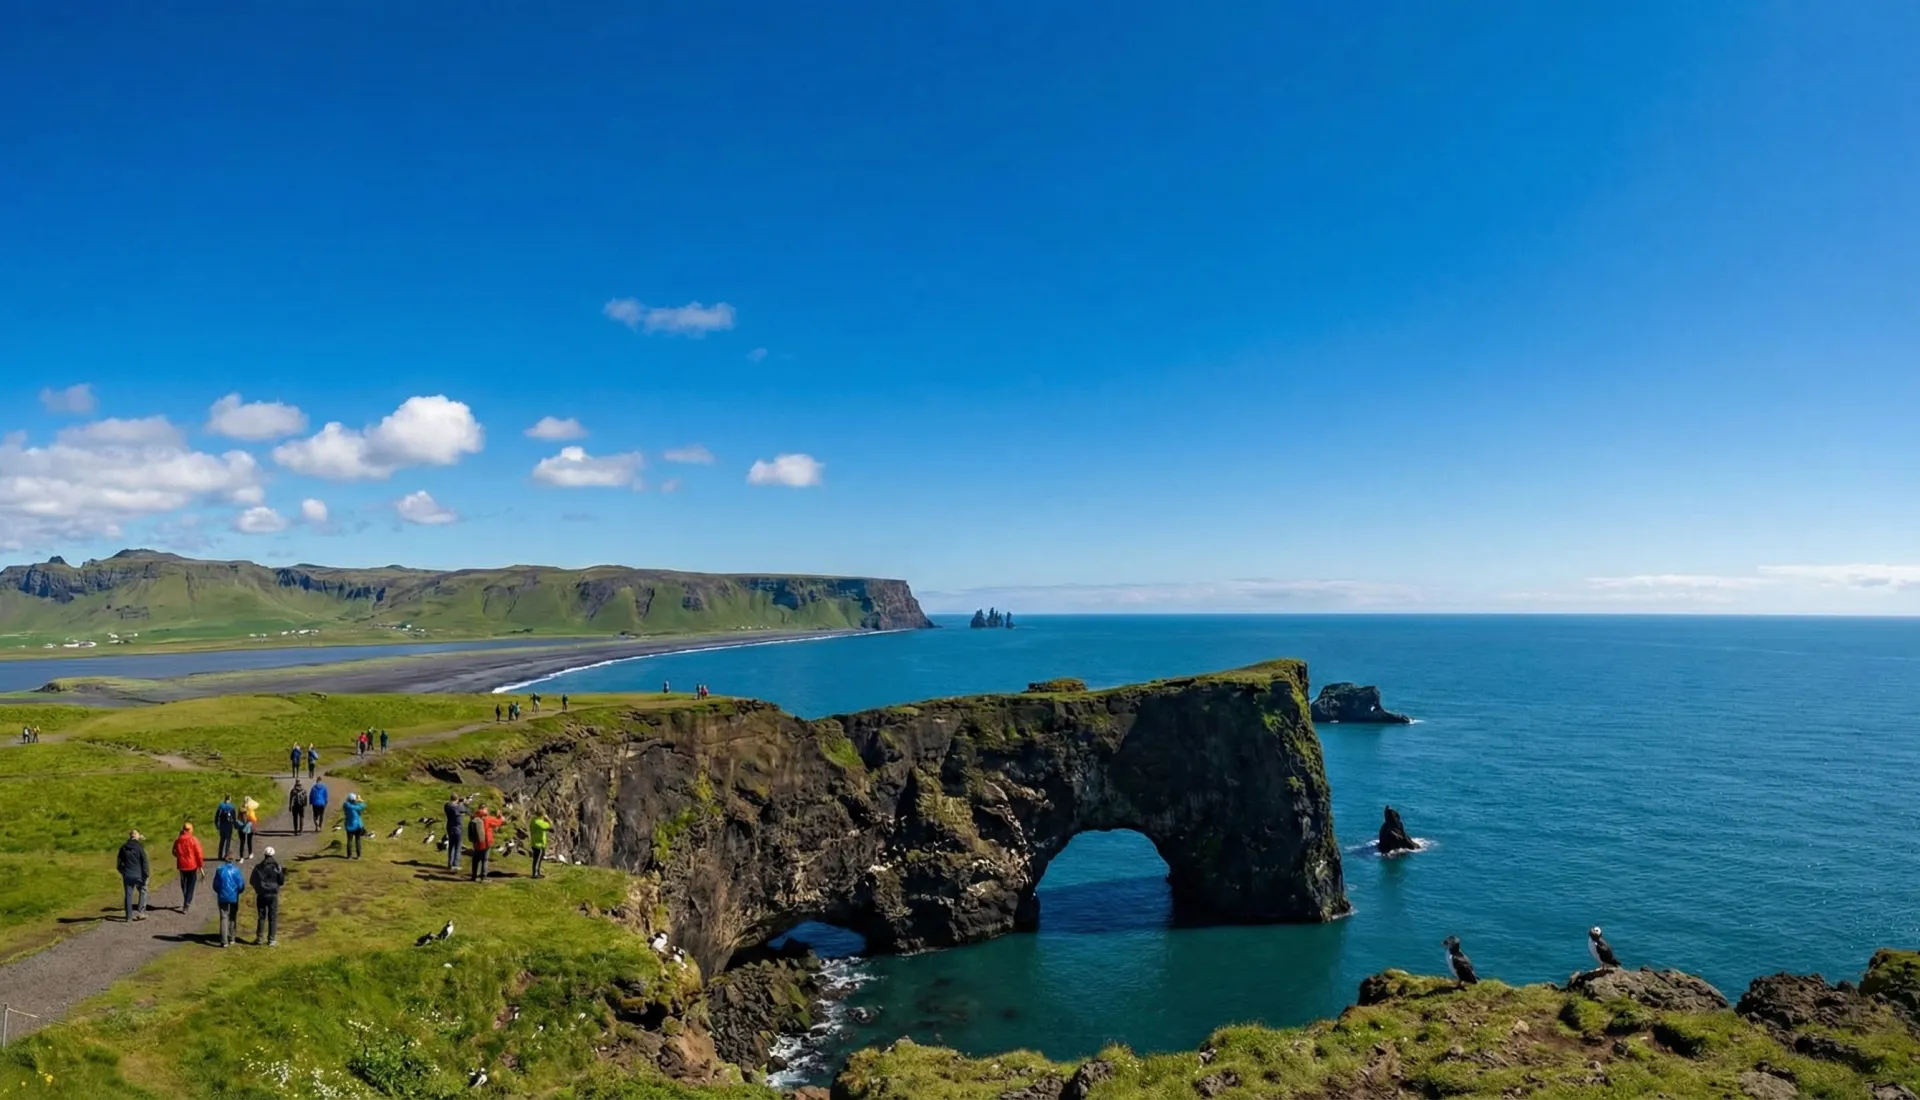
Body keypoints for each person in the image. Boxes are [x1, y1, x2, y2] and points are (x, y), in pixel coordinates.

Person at [250, 847, 285, 946]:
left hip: (261, 894)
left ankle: (259, 938)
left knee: (261, 916)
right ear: (273, 855)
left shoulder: (258, 867)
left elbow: (252, 881)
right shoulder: (277, 867)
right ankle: (271, 939)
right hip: (273, 894)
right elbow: (281, 881)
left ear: (264, 855)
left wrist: (258, 889)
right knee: (273, 917)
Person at [117, 830, 150, 922]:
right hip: (139, 874)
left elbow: (119, 864)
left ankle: (128, 916)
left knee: (128, 895)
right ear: (136, 837)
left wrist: (123, 872)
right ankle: (141, 912)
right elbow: (144, 861)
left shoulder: (123, 847)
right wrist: (146, 874)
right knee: (143, 891)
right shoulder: (139, 847)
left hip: (128, 875)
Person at [212, 856, 245, 947]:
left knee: (224, 917)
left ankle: (224, 941)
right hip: (234, 896)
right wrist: (238, 892)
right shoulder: (236, 870)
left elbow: (215, 884)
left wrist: (219, 891)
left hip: (222, 896)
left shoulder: (220, 870)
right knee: (233, 916)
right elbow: (241, 885)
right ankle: (232, 938)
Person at [172, 821, 205, 913]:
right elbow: (199, 854)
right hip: (192, 865)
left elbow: (173, 851)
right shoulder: (194, 840)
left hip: (182, 865)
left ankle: (186, 898)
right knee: (191, 884)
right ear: (190, 830)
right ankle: (187, 902)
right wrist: (200, 866)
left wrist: (179, 856)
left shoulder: (178, 840)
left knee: (184, 883)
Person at [468, 804, 505, 882]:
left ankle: (474, 876)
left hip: (476, 841)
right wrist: (500, 817)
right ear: (484, 809)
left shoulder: (474, 817)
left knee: (475, 860)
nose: (487, 811)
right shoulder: (488, 818)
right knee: (484, 860)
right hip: (485, 842)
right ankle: (483, 876)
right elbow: (498, 822)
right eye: (486, 809)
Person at [443, 794, 468, 871]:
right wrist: (462, 803)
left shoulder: (447, 806)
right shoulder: (457, 807)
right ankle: (455, 864)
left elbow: (453, 805)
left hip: (450, 827)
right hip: (457, 828)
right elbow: (464, 809)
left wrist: (458, 802)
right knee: (458, 846)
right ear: (456, 799)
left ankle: (450, 864)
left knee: (451, 846)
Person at [528, 810, 552, 879]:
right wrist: (548, 819)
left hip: (535, 842)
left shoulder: (534, 820)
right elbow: (549, 826)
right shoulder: (539, 822)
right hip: (539, 844)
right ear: (542, 815)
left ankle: (537, 872)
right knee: (538, 859)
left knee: (536, 859)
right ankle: (535, 874)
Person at [342, 792, 366, 859]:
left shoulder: (346, 805)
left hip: (349, 825)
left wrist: (357, 802)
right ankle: (359, 856)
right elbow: (364, 805)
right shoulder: (355, 806)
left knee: (349, 841)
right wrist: (360, 800)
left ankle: (349, 856)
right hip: (357, 825)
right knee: (357, 840)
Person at [214, 794, 238, 861]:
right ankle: (226, 856)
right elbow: (234, 818)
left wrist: (217, 824)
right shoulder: (231, 807)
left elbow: (216, 816)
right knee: (228, 841)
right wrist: (235, 825)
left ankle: (220, 855)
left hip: (222, 826)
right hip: (229, 826)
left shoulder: (221, 806)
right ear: (229, 799)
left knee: (222, 840)